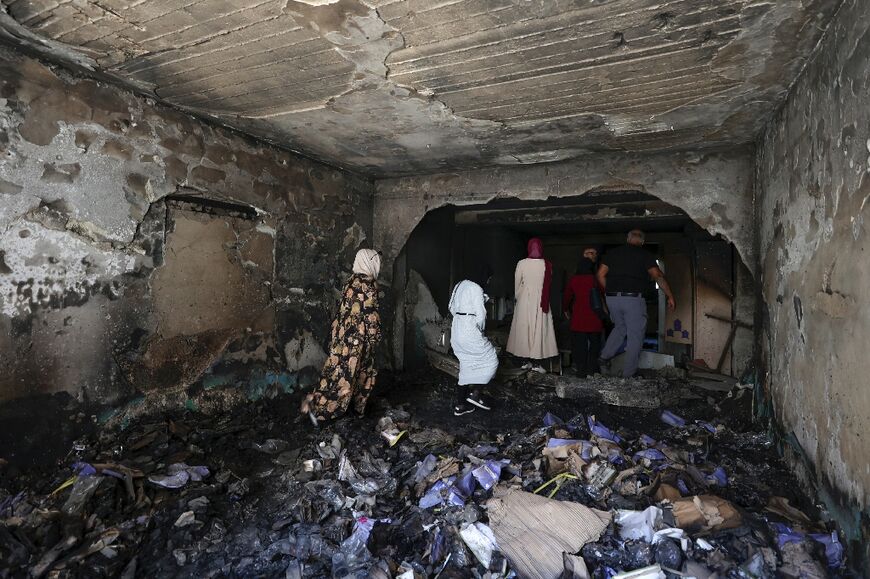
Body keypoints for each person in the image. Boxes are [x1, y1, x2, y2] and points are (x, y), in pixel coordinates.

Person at [300, 248, 382, 423]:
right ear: (370, 262)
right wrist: (375, 340)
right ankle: (323, 411)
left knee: (338, 372)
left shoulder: (350, 281)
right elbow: (371, 316)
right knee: (354, 375)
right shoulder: (368, 285)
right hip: (358, 340)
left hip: (343, 336)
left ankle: (320, 402)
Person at [596, 230, 675, 378]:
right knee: (635, 336)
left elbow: (600, 274)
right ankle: (628, 375)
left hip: (612, 299)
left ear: (628, 239)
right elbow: (657, 275)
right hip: (632, 300)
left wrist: (610, 291)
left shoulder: (613, 253)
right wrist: (670, 296)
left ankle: (604, 357)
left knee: (620, 327)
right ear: (642, 242)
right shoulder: (645, 255)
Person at [506, 238, 558, 370]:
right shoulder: (547, 265)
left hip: (525, 298)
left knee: (524, 327)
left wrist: (520, 295)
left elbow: (517, 283)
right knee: (539, 328)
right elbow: (549, 284)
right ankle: (536, 362)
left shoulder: (521, 263)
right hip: (542, 300)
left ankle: (523, 361)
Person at [449, 280, 498, 415]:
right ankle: (475, 394)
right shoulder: (476, 287)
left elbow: (451, 308)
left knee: (466, 364)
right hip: (469, 328)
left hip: (457, 328)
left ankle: (460, 406)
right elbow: (481, 315)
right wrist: (480, 331)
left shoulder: (459, 285)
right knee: (491, 359)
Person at [563, 257, 605, 377]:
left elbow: (567, 297)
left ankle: (581, 371)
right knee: (595, 346)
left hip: (578, 319)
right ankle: (592, 371)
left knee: (580, 347)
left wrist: (566, 309)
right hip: (594, 318)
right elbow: (603, 293)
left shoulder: (574, 280)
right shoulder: (595, 279)